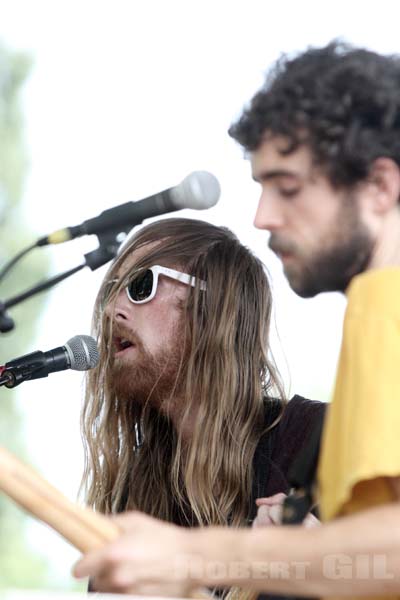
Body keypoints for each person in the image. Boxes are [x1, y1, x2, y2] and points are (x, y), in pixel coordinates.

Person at [74, 40, 400, 598]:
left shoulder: (388, 309)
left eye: (288, 188)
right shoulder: (372, 316)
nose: (262, 216)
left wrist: (199, 556)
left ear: (379, 187)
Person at [77, 216, 324, 593]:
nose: (113, 310)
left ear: (210, 309)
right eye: (112, 290)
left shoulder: (317, 438)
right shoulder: (138, 494)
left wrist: (335, 569)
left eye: (140, 285)